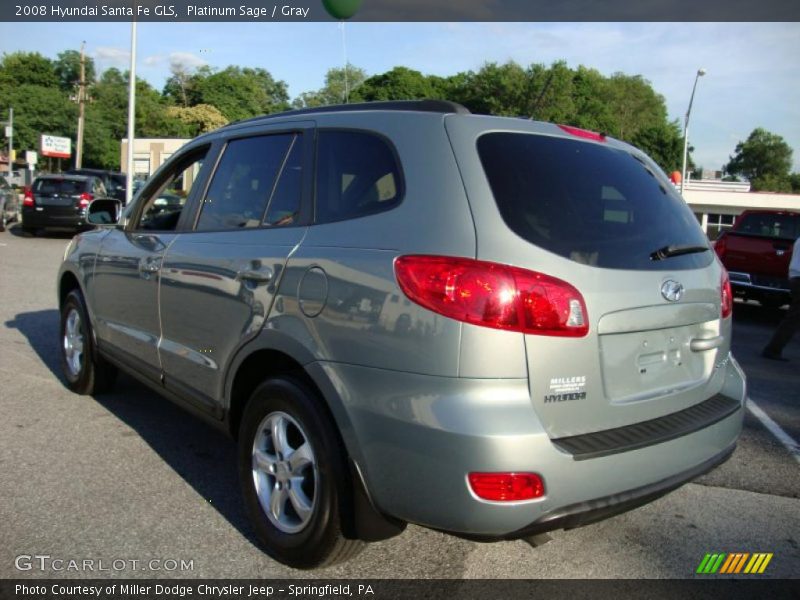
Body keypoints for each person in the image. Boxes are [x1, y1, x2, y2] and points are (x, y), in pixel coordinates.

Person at [762, 235, 800, 361]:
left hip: (795, 277)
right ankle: (773, 349)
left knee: (793, 318)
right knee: (793, 319)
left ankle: (773, 348)